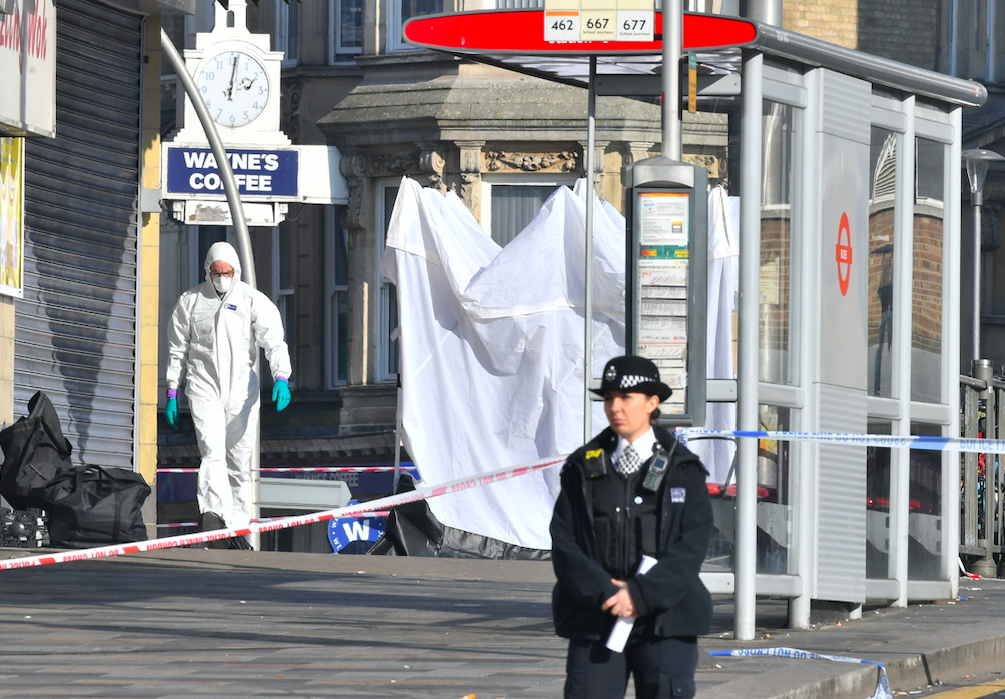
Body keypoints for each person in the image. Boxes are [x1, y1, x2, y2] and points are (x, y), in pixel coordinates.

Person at [550, 355, 713, 699]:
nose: (615, 407)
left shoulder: (683, 468)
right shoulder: (583, 467)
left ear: (653, 403)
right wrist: (608, 594)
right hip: (597, 618)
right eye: (609, 398)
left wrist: (640, 596)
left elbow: (692, 545)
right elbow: (565, 541)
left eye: (625, 398)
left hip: (666, 621)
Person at [164, 242, 292, 546]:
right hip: (203, 385)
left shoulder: (251, 300)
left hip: (241, 392)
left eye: (227, 272)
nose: (221, 277)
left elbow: (273, 341)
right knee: (212, 451)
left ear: (236, 272)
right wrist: (171, 390)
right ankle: (213, 514)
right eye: (216, 272)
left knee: (238, 460)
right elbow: (176, 347)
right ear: (207, 270)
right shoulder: (190, 302)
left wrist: (281, 376)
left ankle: (236, 526)